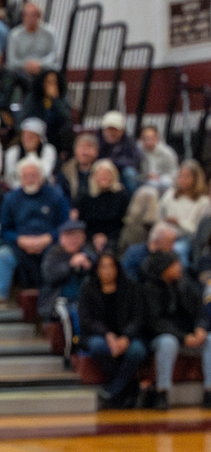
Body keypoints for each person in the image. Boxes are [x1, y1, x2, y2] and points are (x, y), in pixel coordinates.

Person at [0, 156, 69, 311]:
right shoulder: (11, 198)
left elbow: (65, 225)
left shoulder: (56, 196)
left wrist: (48, 238)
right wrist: (20, 240)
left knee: (59, 256)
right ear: (20, 178)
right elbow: (5, 230)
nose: (30, 179)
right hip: (19, 244)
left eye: (34, 175)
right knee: (1, 255)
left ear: (41, 177)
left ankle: (52, 299)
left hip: (50, 243)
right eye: (26, 176)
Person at [138, 251, 208, 409]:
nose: (179, 267)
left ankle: (209, 390)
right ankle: (162, 391)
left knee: (210, 340)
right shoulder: (149, 289)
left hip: (188, 336)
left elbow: (200, 312)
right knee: (168, 342)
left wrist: (200, 328)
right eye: (175, 264)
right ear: (164, 267)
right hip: (159, 337)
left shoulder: (187, 285)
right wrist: (183, 337)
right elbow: (155, 322)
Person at [78, 250, 146, 409]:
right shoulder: (88, 287)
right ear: (97, 269)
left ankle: (113, 390)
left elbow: (138, 316)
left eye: (111, 266)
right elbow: (86, 320)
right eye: (103, 267)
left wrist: (126, 337)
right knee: (97, 347)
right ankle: (130, 387)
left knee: (137, 350)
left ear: (117, 268)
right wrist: (107, 335)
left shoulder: (130, 286)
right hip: (98, 335)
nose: (107, 270)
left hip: (127, 335)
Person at [38, 218, 96, 345]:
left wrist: (90, 268)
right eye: (69, 237)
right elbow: (49, 277)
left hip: (85, 299)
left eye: (76, 237)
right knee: (72, 312)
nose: (73, 240)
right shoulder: (53, 254)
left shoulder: (90, 255)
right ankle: (75, 348)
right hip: (58, 300)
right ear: (61, 238)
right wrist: (70, 265)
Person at [158, 158, 211, 265]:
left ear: (196, 179)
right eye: (180, 176)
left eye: (187, 176)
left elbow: (199, 230)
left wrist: (179, 222)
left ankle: (183, 278)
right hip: (165, 233)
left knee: (177, 250)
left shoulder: (203, 202)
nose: (182, 179)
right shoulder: (170, 194)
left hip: (187, 238)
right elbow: (160, 216)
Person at [77, 159, 131, 252]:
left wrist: (106, 237)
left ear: (113, 175)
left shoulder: (122, 195)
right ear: (93, 176)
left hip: (115, 237)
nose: (103, 176)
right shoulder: (86, 197)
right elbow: (83, 222)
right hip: (91, 238)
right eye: (100, 174)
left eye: (107, 173)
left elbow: (123, 223)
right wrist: (95, 237)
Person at [6, 1, 58, 78]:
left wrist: (39, 64)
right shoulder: (14, 34)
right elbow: (12, 60)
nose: (30, 18)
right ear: (23, 17)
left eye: (34, 15)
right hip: (21, 70)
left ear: (39, 16)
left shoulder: (50, 33)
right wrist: (26, 65)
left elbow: (54, 55)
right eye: (27, 15)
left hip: (44, 68)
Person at [95, 111, 141, 194]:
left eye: (115, 130)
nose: (111, 133)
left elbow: (135, 159)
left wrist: (113, 162)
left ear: (122, 130)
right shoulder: (97, 141)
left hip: (121, 171)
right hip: (100, 169)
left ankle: (131, 199)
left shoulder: (129, 142)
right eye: (108, 129)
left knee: (129, 173)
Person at [3, 117, 57, 188]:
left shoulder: (48, 150)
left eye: (31, 136)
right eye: (25, 135)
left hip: (42, 187)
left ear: (39, 138)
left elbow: (45, 172)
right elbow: (10, 176)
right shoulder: (13, 151)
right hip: (17, 189)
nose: (27, 139)